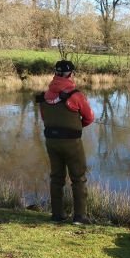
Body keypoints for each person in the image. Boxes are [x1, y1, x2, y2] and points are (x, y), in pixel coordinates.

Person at [39, 60, 94, 224]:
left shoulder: (45, 96)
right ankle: (80, 217)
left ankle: (57, 215)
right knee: (78, 179)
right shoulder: (76, 95)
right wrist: (78, 127)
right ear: (70, 74)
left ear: (55, 74)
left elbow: (45, 119)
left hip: (51, 142)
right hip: (72, 143)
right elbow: (89, 118)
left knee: (56, 177)